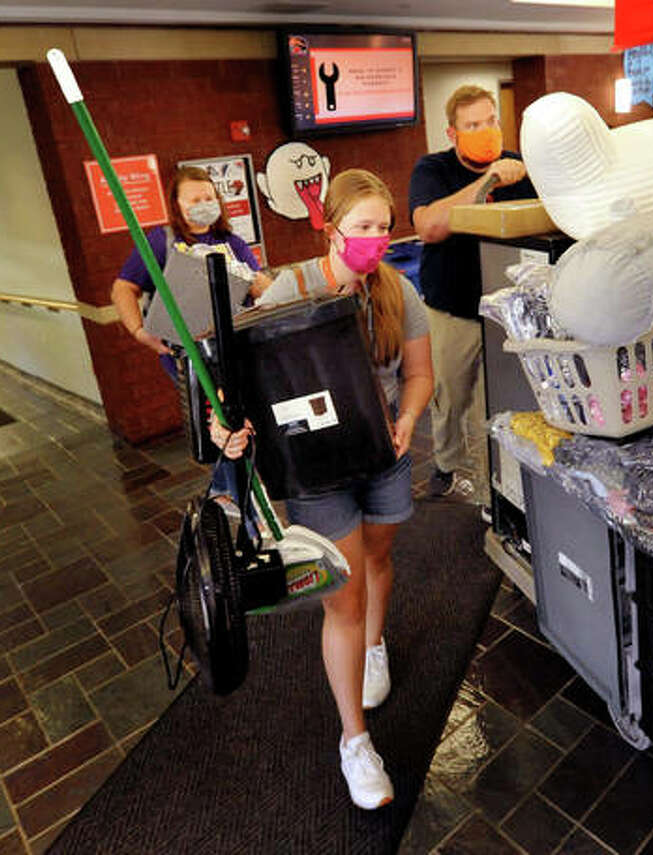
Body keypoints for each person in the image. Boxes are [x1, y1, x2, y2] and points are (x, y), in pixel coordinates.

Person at [216, 169, 433, 810]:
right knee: (342, 594)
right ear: (330, 226)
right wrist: (226, 422)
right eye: (360, 226)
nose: (373, 238)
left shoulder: (399, 293)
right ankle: (355, 741)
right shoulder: (291, 289)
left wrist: (409, 418)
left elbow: (419, 375)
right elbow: (239, 380)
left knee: (378, 559)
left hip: (384, 458)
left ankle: (375, 646)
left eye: (382, 227)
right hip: (314, 472)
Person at [111, 164, 273, 505]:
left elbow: (260, 288)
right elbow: (123, 288)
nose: (204, 204)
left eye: (210, 197)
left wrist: (264, 286)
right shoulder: (161, 241)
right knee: (216, 421)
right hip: (190, 357)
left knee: (236, 422)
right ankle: (231, 492)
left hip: (233, 350)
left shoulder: (232, 241)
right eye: (195, 199)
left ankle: (233, 489)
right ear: (177, 204)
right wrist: (140, 333)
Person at [409, 84, 536, 497]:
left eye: (491, 120)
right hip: (452, 310)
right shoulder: (432, 169)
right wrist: (487, 179)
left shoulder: (520, 165)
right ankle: (446, 463)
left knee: (496, 403)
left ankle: (492, 490)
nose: (486, 130)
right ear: (453, 133)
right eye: (473, 125)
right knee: (449, 398)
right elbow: (428, 226)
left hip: (504, 312)